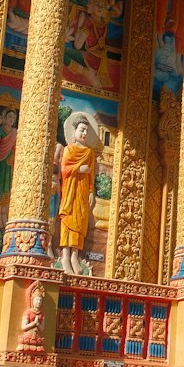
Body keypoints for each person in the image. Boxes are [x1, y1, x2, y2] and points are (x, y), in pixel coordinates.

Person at [58, 112, 101, 276]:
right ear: (74, 130)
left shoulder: (89, 152)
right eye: (82, 130)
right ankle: (65, 256)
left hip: (83, 191)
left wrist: (91, 191)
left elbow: (91, 175)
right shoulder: (69, 150)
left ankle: (75, 255)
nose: (84, 133)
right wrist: (78, 169)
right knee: (68, 219)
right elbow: (64, 170)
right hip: (70, 189)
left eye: (87, 131)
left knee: (80, 219)